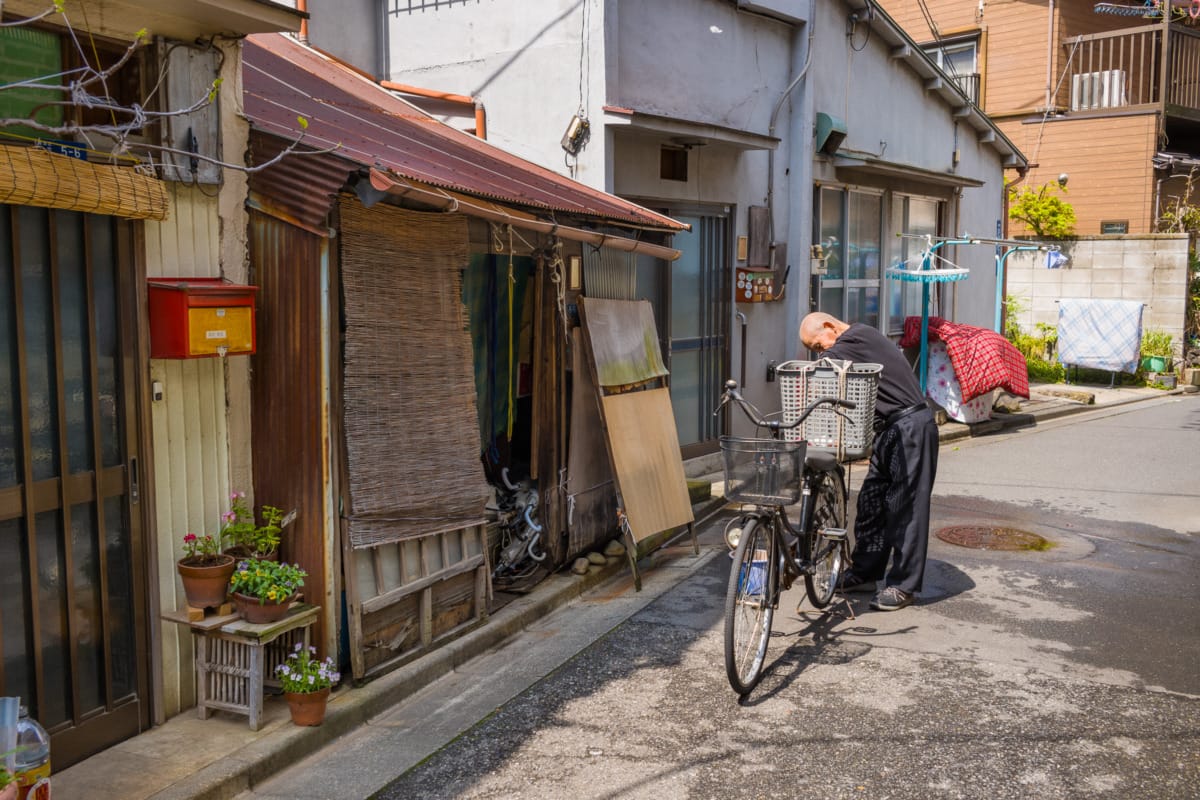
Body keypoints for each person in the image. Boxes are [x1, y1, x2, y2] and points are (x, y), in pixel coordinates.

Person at [798, 312, 938, 611]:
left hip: (911, 425)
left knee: (907, 508)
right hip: (890, 430)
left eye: (817, 344)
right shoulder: (851, 346)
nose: (821, 352)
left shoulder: (857, 337)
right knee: (872, 502)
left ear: (829, 326)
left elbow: (821, 371)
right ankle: (865, 572)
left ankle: (904, 585)